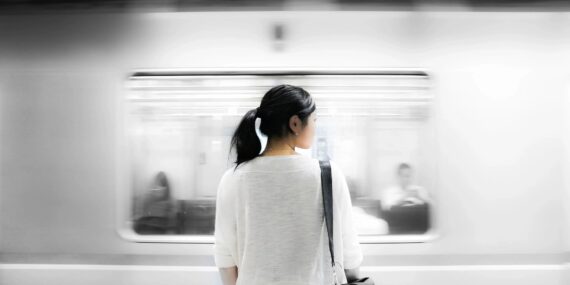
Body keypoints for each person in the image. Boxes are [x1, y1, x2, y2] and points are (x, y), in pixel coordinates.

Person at [213, 84, 363, 285]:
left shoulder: (232, 178)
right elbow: (350, 254)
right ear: (295, 123)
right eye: (314, 120)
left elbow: (225, 257)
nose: (315, 127)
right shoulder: (327, 174)